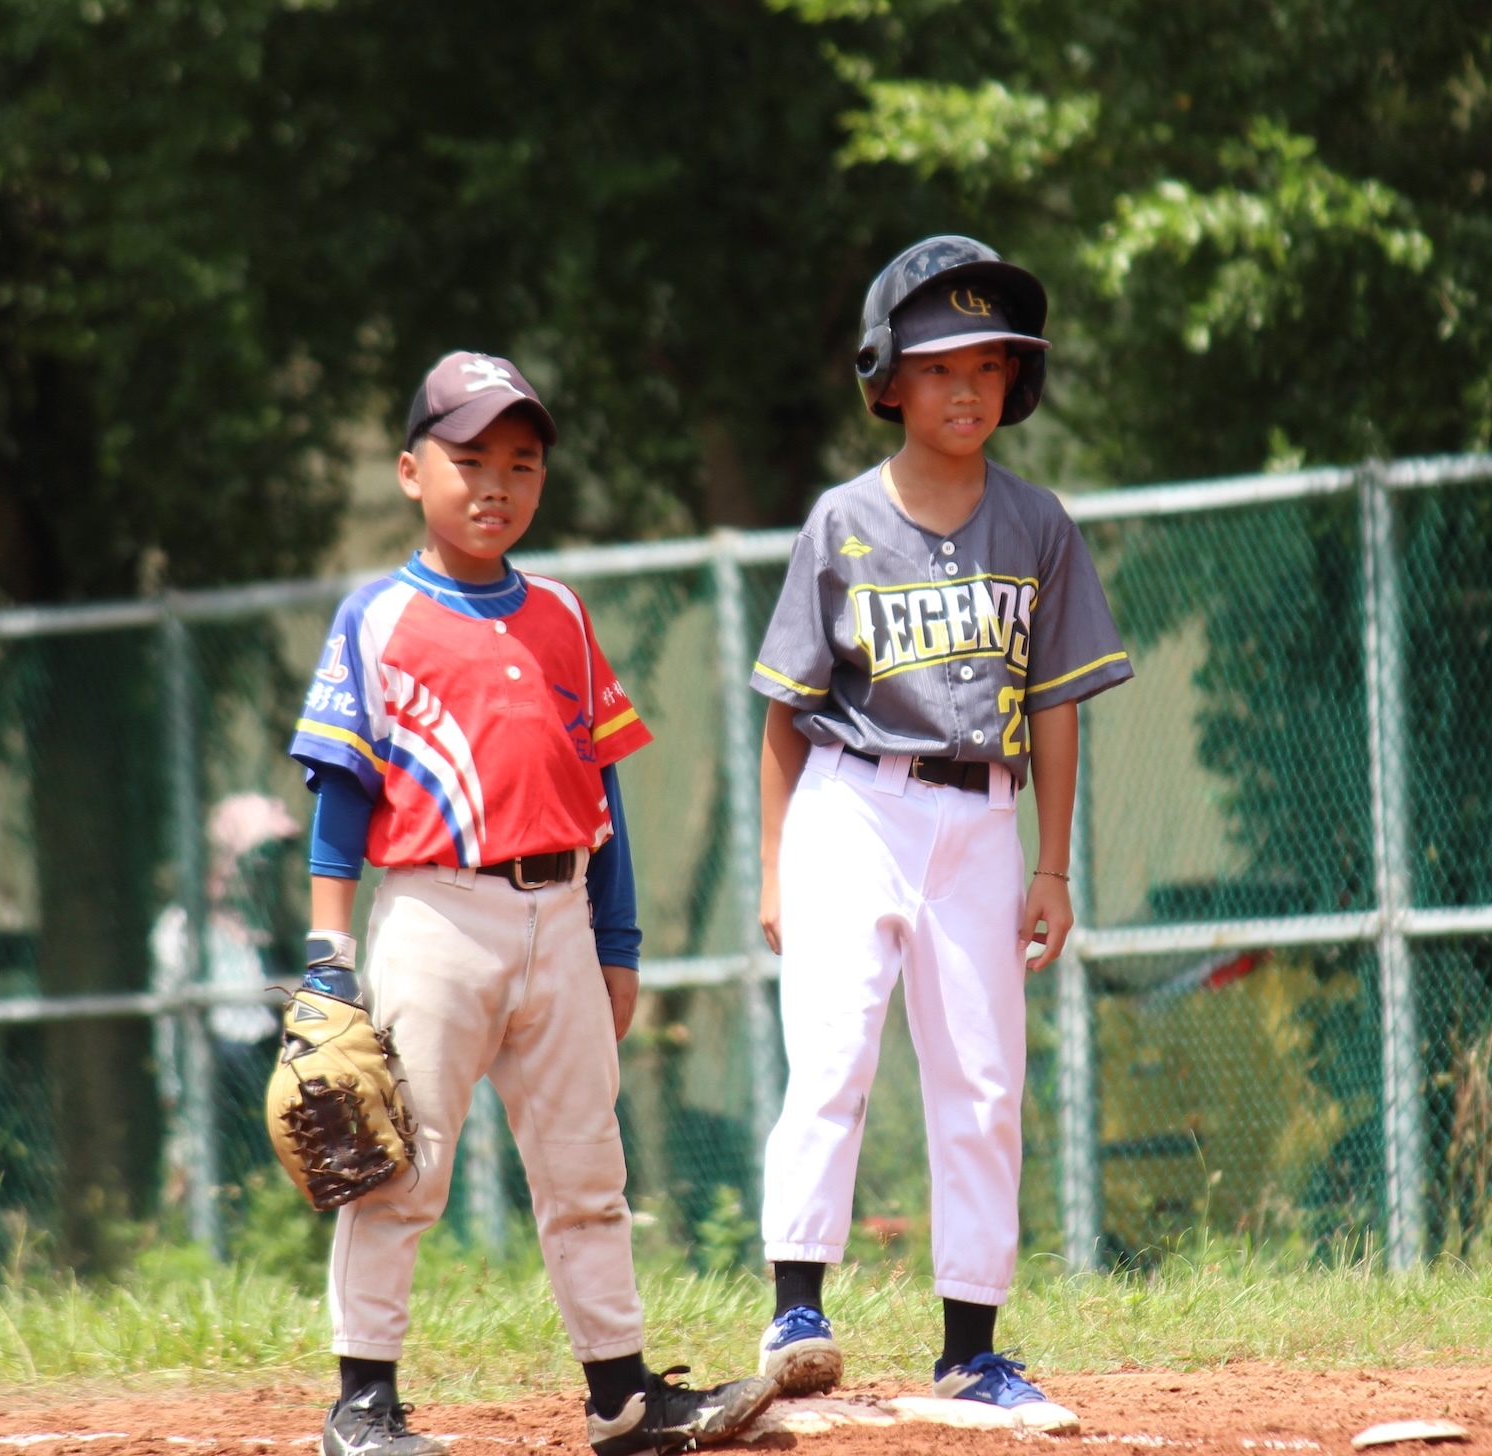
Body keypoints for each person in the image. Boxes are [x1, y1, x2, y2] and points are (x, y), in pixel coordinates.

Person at [289, 351, 775, 1456]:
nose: (496, 483)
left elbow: (601, 794)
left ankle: (625, 1400)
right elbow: (340, 794)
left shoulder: (559, 613)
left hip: (559, 919)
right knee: (399, 1167)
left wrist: (619, 941)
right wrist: (328, 951)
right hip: (433, 917)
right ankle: (363, 1401)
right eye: (468, 460)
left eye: (522, 462)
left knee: (586, 1172)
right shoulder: (378, 616)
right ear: (412, 471)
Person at [746, 237, 1133, 1429]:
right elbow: (786, 712)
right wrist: (772, 869)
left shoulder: (1038, 523)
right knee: (834, 1053)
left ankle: (972, 1345)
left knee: (982, 1078)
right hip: (852, 801)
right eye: (937, 365)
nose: (966, 388)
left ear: (1015, 382)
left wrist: (1054, 864)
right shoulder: (841, 518)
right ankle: (798, 1306)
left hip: (983, 815)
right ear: (888, 378)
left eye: (989, 364)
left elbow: (1059, 705)